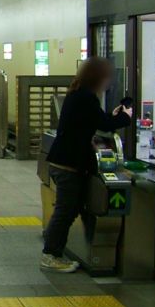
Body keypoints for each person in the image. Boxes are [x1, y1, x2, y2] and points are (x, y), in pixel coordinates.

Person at [41, 57, 132, 273]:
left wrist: (112, 116)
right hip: (68, 165)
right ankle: (50, 254)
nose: (108, 83)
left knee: (68, 210)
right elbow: (104, 124)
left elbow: (94, 121)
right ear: (97, 78)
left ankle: (55, 251)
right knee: (65, 211)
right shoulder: (87, 98)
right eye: (106, 78)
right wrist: (126, 117)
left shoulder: (78, 94)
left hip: (63, 161)